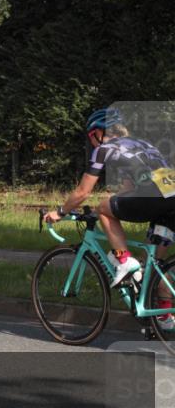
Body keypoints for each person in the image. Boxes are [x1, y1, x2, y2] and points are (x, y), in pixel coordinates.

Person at [43, 108, 175, 327]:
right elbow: (129, 189)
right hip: (171, 199)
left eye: (91, 137)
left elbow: (82, 192)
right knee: (155, 265)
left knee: (104, 207)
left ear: (97, 133)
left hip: (155, 198)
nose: (92, 142)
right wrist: (103, 209)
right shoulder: (141, 145)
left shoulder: (104, 149)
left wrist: (60, 212)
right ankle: (163, 316)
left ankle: (123, 259)